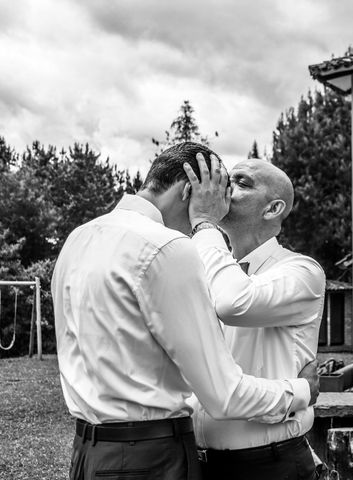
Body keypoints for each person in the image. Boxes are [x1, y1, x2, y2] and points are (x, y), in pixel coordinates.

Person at [52, 142, 319, 480]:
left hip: (91, 452)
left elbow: (231, 304)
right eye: (220, 186)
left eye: (242, 184)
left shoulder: (79, 238)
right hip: (150, 457)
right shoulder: (167, 248)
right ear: (189, 191)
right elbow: (224, 393)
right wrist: (302, 390)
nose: (225, 198)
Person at [184, 156, 326, 480]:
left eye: (242, 182)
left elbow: (233, 303)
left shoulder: (303, 271)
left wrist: (204, 224)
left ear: (273, 209)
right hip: (199, 464)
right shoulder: (207, 267)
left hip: (269, 465)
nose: (225, 187)